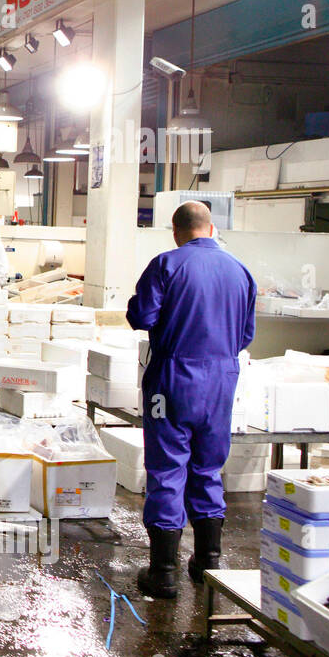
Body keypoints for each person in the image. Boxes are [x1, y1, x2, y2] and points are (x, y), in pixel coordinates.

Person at [127, 201, 257, 600]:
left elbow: (142, 317)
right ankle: (208, 563)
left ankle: (163, 573)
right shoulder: (241, 271)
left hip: (172, 381)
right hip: (221, 381)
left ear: (175, 230)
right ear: (212, 228)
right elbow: (247, 334)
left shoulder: (166, 264)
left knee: (167, 467)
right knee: (208, 466)